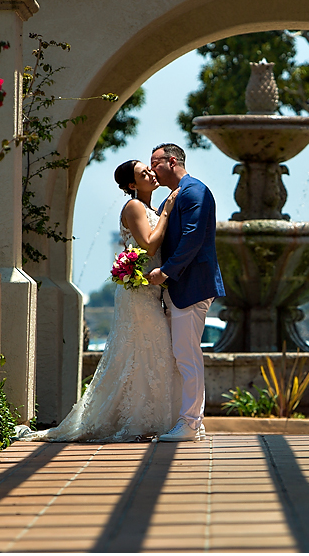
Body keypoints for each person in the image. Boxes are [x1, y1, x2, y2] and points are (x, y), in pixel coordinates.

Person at [18, 160, 182, 442]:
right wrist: (167, 212)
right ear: (132, 185)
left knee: (152, 351)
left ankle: (151, 419)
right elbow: (149, 244)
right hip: (136, 295)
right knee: (140, 350)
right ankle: (135, 422)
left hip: (151, 291)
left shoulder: (152, 209)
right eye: (144, 174)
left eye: (150, 171)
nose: (152, 175)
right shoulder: (134, 208)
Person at [146, 143, 225, 442]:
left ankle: (190, 423)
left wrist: (165, 272)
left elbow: (192, 238)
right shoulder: (176, 194)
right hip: (182, 286)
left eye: (155, 162)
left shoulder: (194, 191)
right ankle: (193, 421)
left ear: (172, 160)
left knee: (187, 355)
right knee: (182, 355)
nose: (152, 169)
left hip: (191, 286)